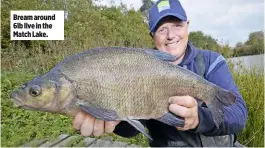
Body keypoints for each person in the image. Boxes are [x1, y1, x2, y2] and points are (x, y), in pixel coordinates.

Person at [72, 0, 248, 146]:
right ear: (152, 35)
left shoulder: (211, 61)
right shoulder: (139, 68)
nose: (170, 35)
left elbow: (238, 115)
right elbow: (133, 128)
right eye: (162, 29)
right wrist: (116, 117)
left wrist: (198, 119)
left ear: (187, 26)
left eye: (177, 25)